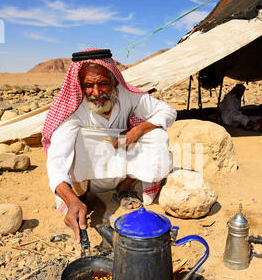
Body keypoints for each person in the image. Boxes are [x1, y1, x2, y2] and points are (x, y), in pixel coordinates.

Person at [42, 48, 177, 242]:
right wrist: (71, 200)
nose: (96, 93)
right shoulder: (74, 110)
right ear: (80, 85)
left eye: (103, 84)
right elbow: (56, 162)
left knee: (156, 134)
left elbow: (168, 112)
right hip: (87, 180)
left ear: (114, 80)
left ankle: (124, 189)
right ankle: (81, 197)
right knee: (73, 139)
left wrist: (136, 131)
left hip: (122, 172)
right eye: (89, 85)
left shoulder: (126, 95)